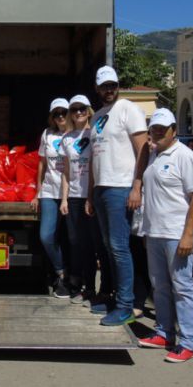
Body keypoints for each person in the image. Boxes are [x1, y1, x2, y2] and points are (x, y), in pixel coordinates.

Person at [138, 108, 193, 363]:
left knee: (183, 288)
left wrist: (188, 235)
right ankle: (164, 333)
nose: (157, 133)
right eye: (153, 128)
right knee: (160, 287)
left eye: (162, 129)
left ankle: (187, 341)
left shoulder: (186, 157)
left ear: (174, 130)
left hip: (177, 234)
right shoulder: (154, 154)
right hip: (154, 232)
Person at [87, 65, 149, 326]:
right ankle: (115, 298)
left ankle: (126, 305)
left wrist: (137, 186)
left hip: (120, 187)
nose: (109, 89)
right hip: (102, 188)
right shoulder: (97, 116)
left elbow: (143, 148)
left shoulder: (129, 109)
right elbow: (93, 158)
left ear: (118, 85)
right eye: (104, 86)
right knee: (108, 248)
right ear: (97, 88)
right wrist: (91, 194)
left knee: (119, 247)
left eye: (113, 85)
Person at [59, 94, 97, 303]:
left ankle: (90, 287)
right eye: (74, 110)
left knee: (89, 243)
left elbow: (95, 168)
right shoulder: (67, 139)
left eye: (82, 108)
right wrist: (64, 199)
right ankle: (78, 282)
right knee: (74, 242)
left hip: (89, 196)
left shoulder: (95, 135)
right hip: (73, 196)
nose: (78, 113)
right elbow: (66, 171)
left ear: (88, 110)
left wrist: (91, 197)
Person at [31, 97, 70, 298]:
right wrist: (37, 192)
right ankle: (60, 271)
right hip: (49, 191)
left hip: (71, 193)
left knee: (71, 238)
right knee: (46, 236)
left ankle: (73, 280)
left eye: (64, 112)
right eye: (57, 114)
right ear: (52, 117)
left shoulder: (77, 134)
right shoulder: (47, 134)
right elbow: (42, 164)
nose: (61, 117)